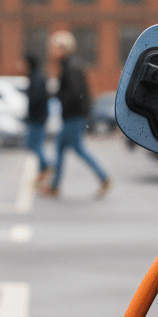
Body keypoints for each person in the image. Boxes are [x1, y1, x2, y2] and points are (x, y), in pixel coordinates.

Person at [40, 30, 111, 198]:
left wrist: (57, 95)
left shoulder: (71, 67)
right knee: (59, 148)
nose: (51, 51)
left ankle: (104, 178)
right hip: (72, 115)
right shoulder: (69, 65)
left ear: (64, 48)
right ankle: (55, 185)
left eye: (54, 47)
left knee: (78, 149)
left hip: (74, 116)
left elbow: (74, 93)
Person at [24, 53, 50, 181]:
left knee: (34, 145)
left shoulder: (37, 78)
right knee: (34, 145)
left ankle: (46, 166)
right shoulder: (36, 76)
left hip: (37, 118)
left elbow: (36, 99)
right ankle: (43, 170)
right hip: (38, 117)